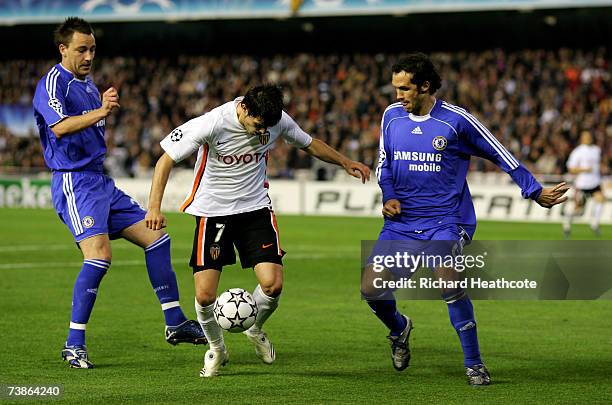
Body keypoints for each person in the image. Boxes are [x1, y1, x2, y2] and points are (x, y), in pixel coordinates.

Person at [364, 53, 568, 386]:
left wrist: (533, 190)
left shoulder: (456, 121)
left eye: (404, 89)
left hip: (448, 219)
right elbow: (384, 163)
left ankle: (474, 364)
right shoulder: (391, 116)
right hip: (402, 223)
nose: (398, 96)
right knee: (372, 290)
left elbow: (500, 152)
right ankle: (400, 329)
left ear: (425, 86)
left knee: (447, 279)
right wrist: (388, 195)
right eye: (395, 88)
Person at [145, 84, 371, 377]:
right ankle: (216, 347)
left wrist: (345, 162)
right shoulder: (212, 122)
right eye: (257, 125)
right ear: (244, 109)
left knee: (273, 285)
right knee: (204, 297)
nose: (261, 132)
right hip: (214, 213)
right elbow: (166, 160)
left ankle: (255, 328)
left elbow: (309, 143)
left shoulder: (276, 120)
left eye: (267, 127)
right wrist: (154, 207)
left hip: (255, 210)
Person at [32, 17, 206, 369]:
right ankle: (73, 343)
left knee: (156, 237)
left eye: (93, 49)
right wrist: (102, 109)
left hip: (99, 181)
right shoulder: (52, 83)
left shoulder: (90, 85)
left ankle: (174, 321)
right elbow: (60, 127)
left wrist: (101, 105)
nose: (89, 56)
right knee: (99, 256)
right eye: (81, 49)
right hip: (74, 181)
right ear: (63, 49)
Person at [563, 130, 605, 238]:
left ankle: (594, 223)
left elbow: (598, 165)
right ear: (582, 138)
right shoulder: (577, 152)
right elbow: (571, 169)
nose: (588, 138)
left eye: (589, 136)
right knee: (578, 210)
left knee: (601, 199)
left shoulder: (596, 150)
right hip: (582, 184)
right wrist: (584, 169)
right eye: (586, 136)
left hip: (595, 183)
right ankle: (567, 222)